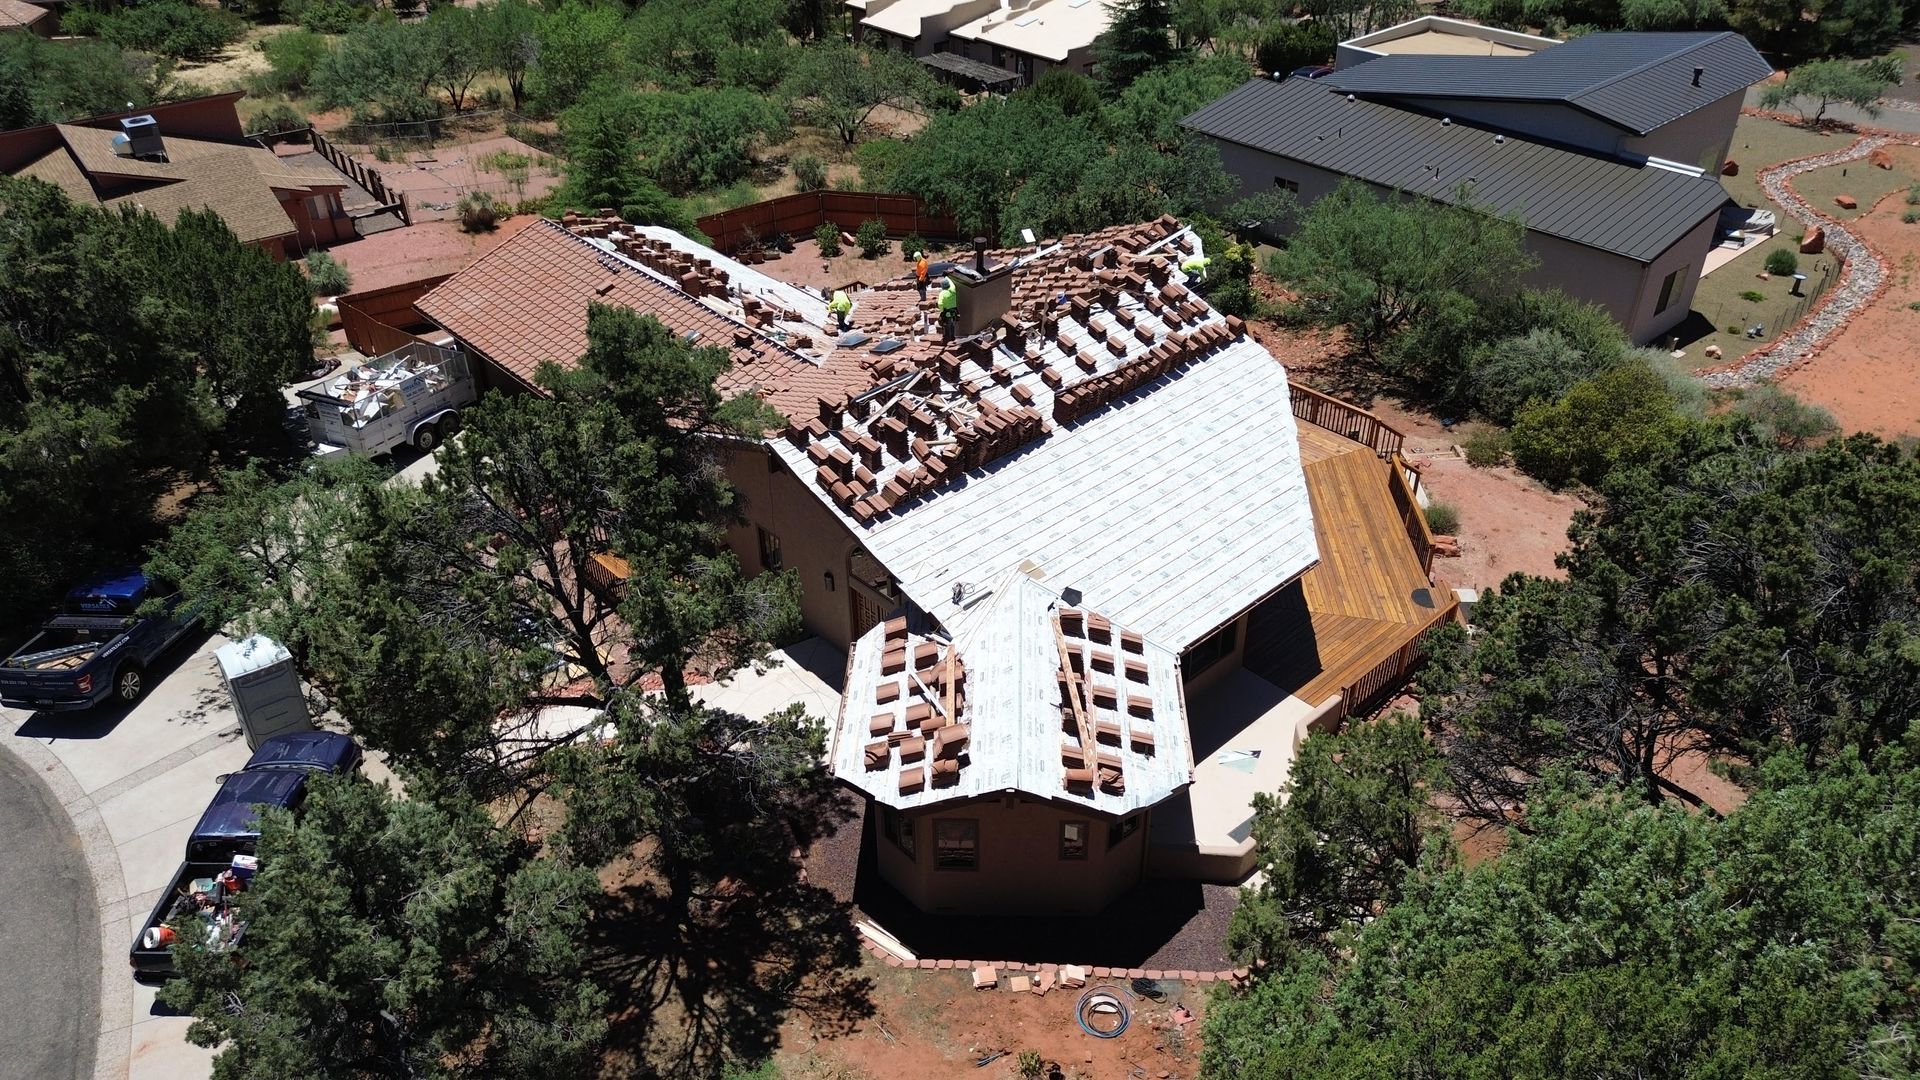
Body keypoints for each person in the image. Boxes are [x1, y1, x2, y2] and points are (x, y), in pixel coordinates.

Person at [937, 276, 958, 343]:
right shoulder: (953, 290)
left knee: (947, 325)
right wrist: (947, 277)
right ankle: (953, 336)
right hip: (954, 311)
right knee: (952, 324)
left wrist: (941, 310)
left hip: (947, 311)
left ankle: (949, 338)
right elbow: (952, 283)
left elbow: (940, 303)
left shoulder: (943, 293)